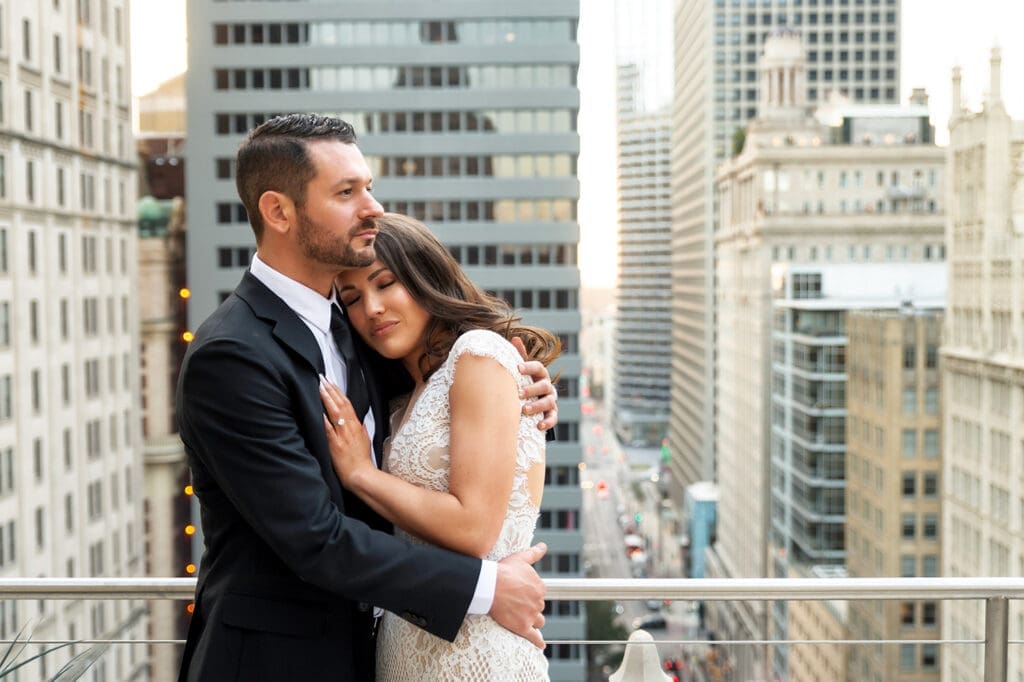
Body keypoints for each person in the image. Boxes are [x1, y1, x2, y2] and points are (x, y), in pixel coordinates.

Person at [175, 114, 559, 681]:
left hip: (377, 652)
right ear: (279, 212)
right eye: (346, 192)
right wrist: (485, 588)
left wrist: (519, 378)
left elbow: (436, 407)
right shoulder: (231, 354)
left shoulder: (354, 329)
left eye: (370, 188)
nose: (372, 208)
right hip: (273, 665)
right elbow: (315, 538)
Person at [320, 213, 560, 680]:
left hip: (477, 653)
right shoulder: (398, 399)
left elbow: (474, 530)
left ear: (423, 275)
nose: (371, 308)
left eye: (385, 284)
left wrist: (360, 474)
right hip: (407, 647)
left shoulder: (478, 353)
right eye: (352, 298)